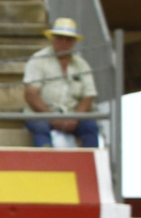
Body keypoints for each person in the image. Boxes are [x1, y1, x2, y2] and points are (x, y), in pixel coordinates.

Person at [24, 17, 99, 149]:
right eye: (60, 38)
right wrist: (51, 116)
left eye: (68, 39)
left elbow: (89, 95)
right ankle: (45, 159)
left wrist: (75, 117)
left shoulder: (82, 65)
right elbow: (31, 93)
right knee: (40, 126)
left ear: (74, 42)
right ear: (53, 38)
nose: (64, 42)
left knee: (90, 126)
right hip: (43, 114)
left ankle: (92, 160)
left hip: (73, 115)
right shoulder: (38, 59)